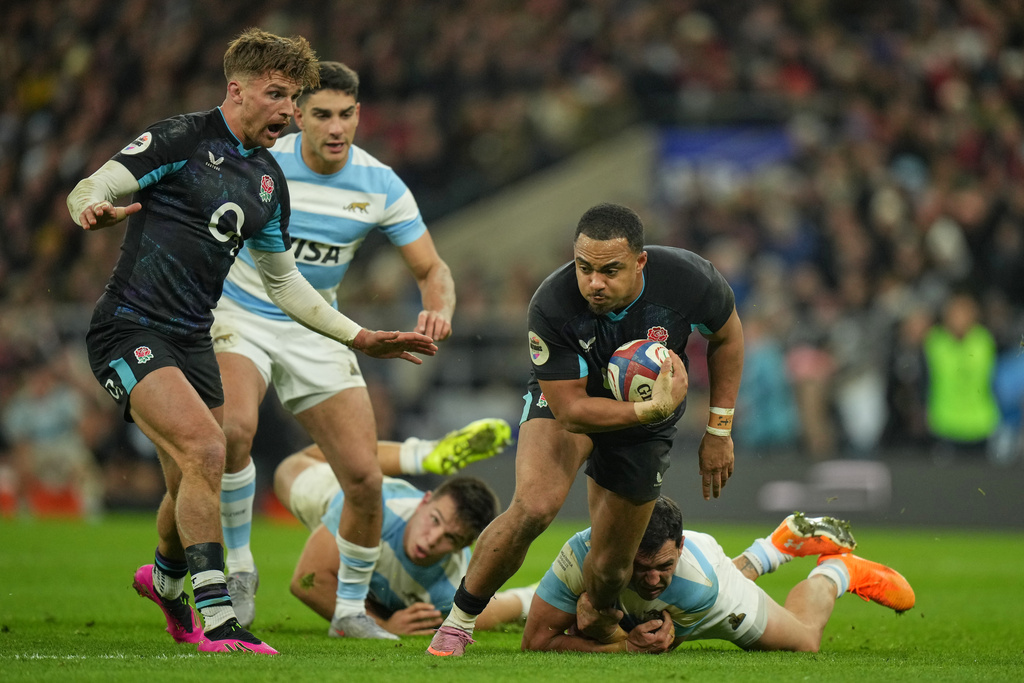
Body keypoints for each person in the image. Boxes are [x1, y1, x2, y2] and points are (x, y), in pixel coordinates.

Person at [66, 29, 436, 655]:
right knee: (210, 448)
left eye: (294, 98)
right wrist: (94, 209)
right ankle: (220, 619)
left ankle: (164, 578)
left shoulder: (267, 179)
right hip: (128, 327)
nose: (289, 112)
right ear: (235, 91)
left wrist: (361, 336)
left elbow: (286, 285)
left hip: (192, 341)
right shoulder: (181, 137)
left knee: (190, 477)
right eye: (278, 96)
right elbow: (90, 187)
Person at [211, 60, 480, 638]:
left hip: (319, 327)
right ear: (297, 117)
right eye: (323, 115)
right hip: (243, 313)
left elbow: (433, 267)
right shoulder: (262, 162)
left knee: (362, 478)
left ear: (359, 114)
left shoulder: (379, 182)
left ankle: (351, 613)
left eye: (347, 114)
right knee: (235, 430)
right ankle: (237, 566)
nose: (337, 127)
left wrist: (440, 308)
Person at [428, 203, 745, 656]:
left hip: (645, 414)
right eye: (585, 268)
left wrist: (718, 430)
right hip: (576, 400)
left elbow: (728, 336)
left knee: (612, 572)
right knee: (534, 506)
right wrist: (649, 413)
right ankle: (457, 625)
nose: (594, 283)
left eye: (610, 270)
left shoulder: (690, 280)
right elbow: (572, 412)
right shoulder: (552, 304)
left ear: (641, 262)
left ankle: (597, 629)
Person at [522, 497, 915, 653]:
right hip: (696, 564)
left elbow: (656, 644)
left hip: (715, 590)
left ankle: (836, 571)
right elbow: (535, 641)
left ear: (678, 547)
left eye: (663, 567)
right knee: (590, 616)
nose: (654, 579)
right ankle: (773, 548)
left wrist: (622, 642)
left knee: (805, 641)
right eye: (641, 569)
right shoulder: (580, 552)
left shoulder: (699, 588)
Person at [274, 442, 534, 635]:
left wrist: (533, 599)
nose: (432, 539)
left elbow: (502, 609)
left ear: (462, 547)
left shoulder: (449, 589)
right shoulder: (378, 509)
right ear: (424, 501)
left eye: (450, 538)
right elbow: (307, 582)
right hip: (342, 496)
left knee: (484, 612)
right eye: (434, 520)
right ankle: (418, 454)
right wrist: (382, 623)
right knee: (292, 468)